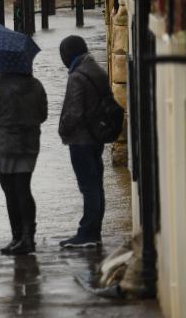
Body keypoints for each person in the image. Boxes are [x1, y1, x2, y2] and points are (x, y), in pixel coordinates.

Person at [0, 66, 48, 255]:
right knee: (24, 190)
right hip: (28, 147)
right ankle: (28, 238)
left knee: (11, 193)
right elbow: (43, 115)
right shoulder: (36, 86)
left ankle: (17, 237)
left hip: (4, 149)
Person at [57, 35, 109, 248]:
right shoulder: (96, 69)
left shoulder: (78, 76)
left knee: (88, 186)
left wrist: (62, 129)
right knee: (96, 185)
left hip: (81, 139)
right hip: (95, 137)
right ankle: (94, 230)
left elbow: (74, 111)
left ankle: (87, 232)